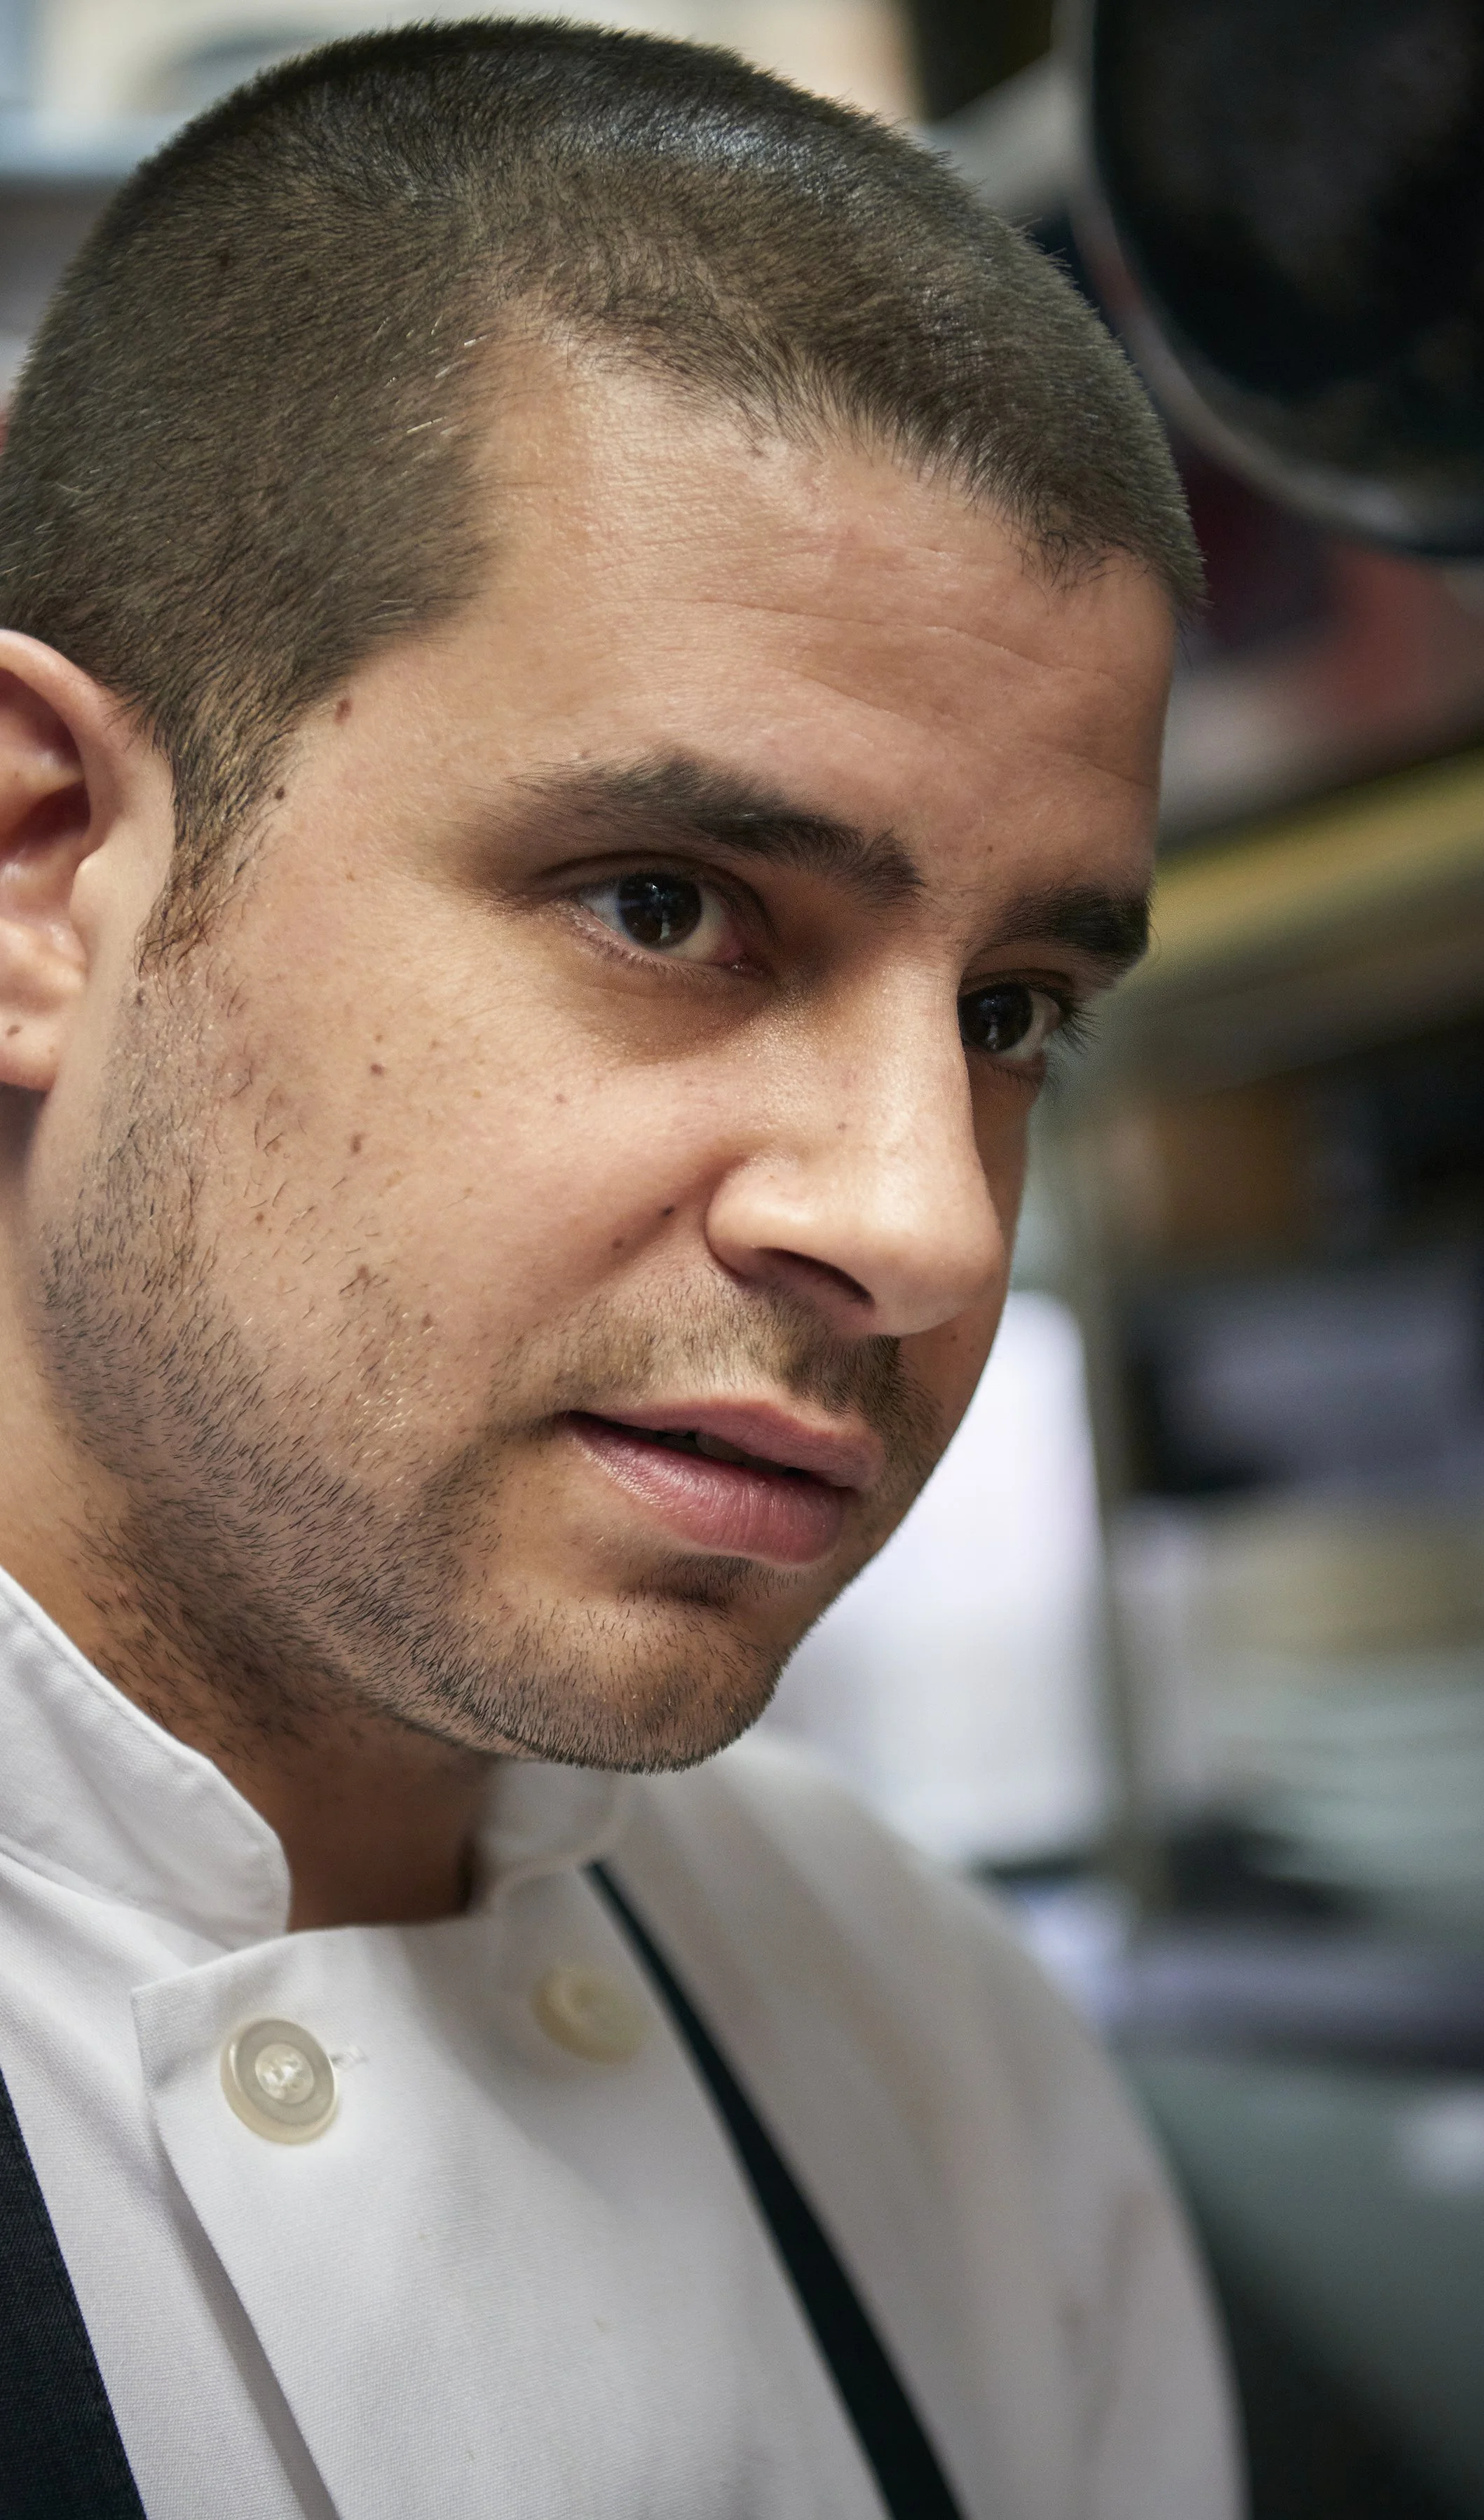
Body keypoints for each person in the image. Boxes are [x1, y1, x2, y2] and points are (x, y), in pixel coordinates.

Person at [0, 20, 1237, 2518]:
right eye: (670, 906)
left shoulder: (945, 2061)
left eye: (1015, 1015)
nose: (921, 1223)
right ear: (42, 873)